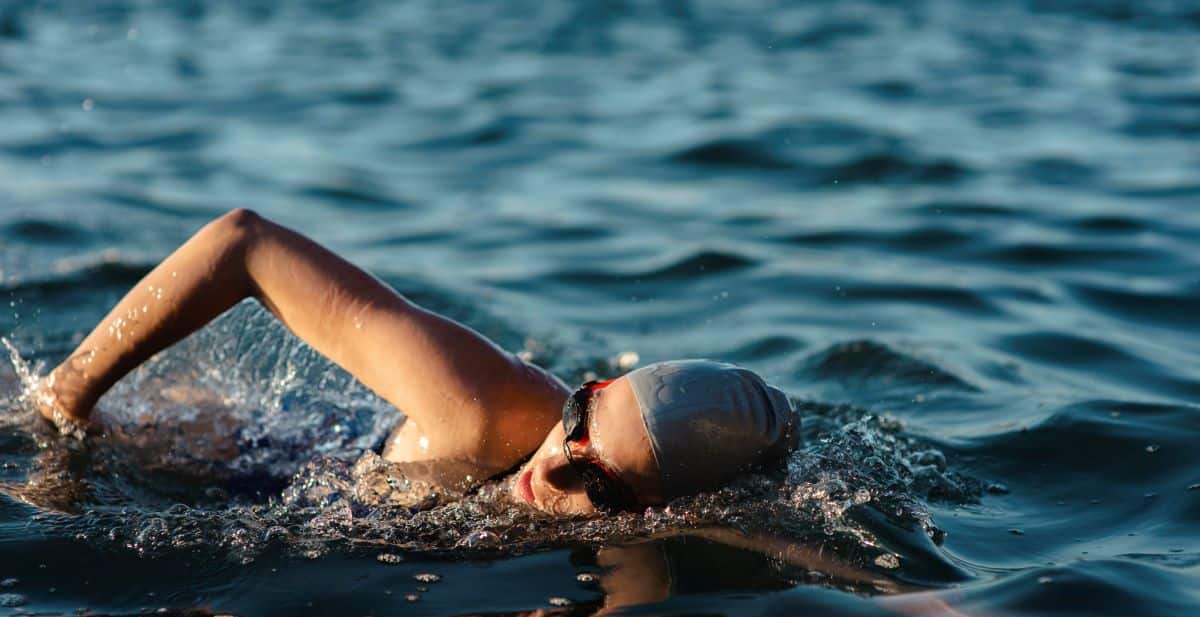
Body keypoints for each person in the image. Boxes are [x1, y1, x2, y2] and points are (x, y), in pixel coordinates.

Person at [34, 209, 800, 515]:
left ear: (654, 513)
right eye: (577, 421)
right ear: (587, 389)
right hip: (234, 453)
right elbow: (243, 243)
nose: (554, 472)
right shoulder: (485, 409)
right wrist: (66, 404)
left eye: (597, 482)